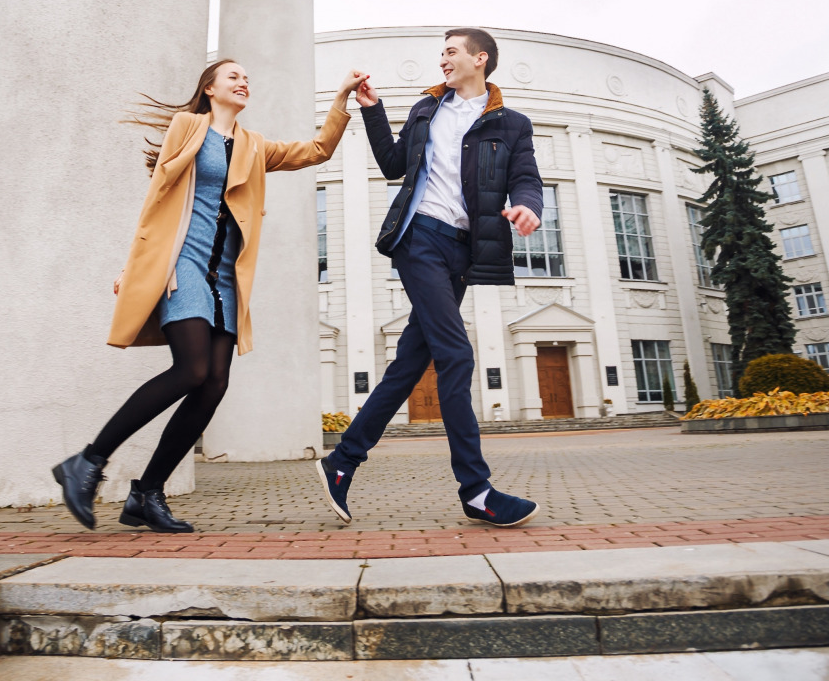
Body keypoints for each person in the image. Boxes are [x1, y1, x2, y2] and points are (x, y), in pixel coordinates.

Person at [52, 59, 367, 532]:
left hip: (225, 278)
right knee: (191, 369)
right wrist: (136, 264)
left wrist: (341, 99)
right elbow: (159, 197)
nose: (243, 82)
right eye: (233, 77)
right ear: (210, 89)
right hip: (184, 268)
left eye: (247, 78)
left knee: (214, 383)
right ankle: (89, 461)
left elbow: (319, 150)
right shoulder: (188, 127)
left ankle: (146, 494)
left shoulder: (254, 145)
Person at [316, 28, 545, 528]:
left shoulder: (511, 124)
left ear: (479, 59)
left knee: (408, 365)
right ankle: (477, 490)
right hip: (418, 238)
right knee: (456, 354)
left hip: (461, 252)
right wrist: (374, 112)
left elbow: (525, 176)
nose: (442, 59)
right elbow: (394, 165)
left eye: (451, 51)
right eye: (440, 52)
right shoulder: (426, 109)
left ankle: (342, 461)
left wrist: (528, 206)